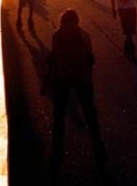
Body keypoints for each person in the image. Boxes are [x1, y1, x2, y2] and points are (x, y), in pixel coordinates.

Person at [44, 9, 107, 175]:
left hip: (67, 79)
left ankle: (57, 153)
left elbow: (53, 59)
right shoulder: (84, 36)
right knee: (89, 115)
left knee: (60, 117)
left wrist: (50, 79)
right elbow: (89, 59)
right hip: (81, 79)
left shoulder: (57, 36)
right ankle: (98, 148)